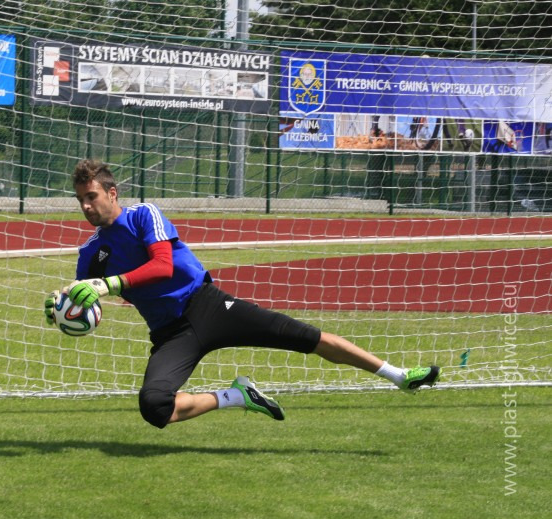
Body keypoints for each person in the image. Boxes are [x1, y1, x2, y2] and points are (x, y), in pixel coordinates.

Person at [44, 159, 441, 429]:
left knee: (307, 337)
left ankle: (399, 376)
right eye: (80, 199)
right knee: (155, 407)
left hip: (210, 307)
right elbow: (86, 304)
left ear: (112, 193)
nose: (85, 206)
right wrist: (62, 307)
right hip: (171, 333)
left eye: (91, 196)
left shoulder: (144, 214)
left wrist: (109, 284)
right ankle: (236, 396)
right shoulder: (91, 252)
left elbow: (163, 265)